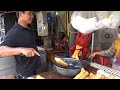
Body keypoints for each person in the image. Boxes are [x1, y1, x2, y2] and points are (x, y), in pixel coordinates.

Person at [0, 11, 41, 79]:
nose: (32, 16)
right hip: (25, 73)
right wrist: (21, 50)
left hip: (33, 69)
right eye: (29, 13)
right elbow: (1, 51)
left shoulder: (29, 28)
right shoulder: (15, 32)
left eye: (32, 14)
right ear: (21, 14)